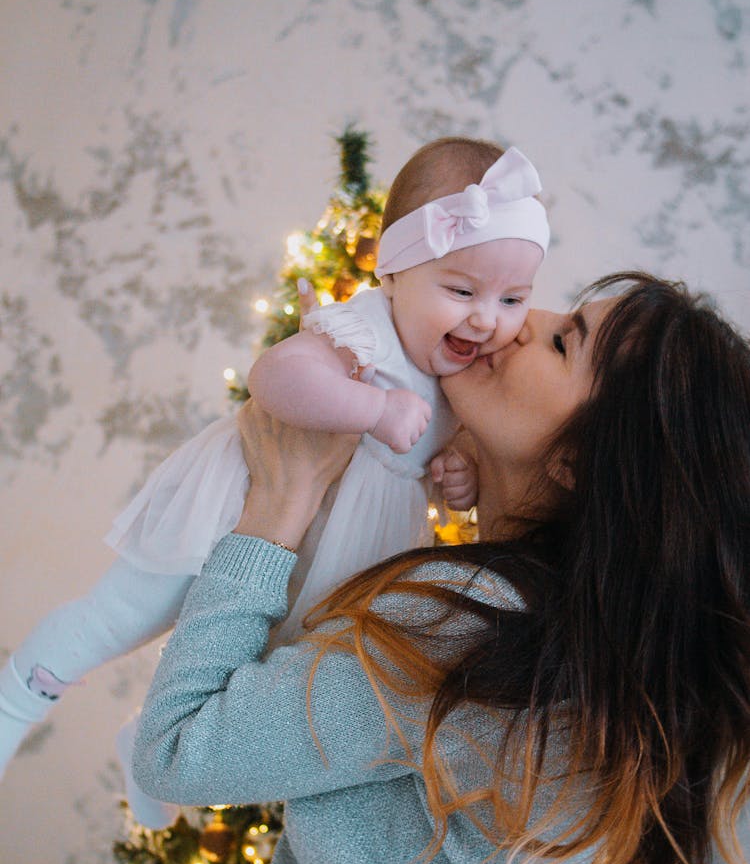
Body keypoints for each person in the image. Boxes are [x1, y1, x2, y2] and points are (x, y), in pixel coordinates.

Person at [132, 272, 750, 864]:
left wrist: (277, 505)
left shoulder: (466, 625)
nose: (525, 320)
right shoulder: (589, 651)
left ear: (579, 464)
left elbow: (177, 747)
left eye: (566, 339)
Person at [0, 138, 549, 826]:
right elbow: (278, 377)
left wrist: (455, 474)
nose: (486, 317)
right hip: (232, 509)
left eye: (513, 297)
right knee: (128, 610)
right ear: (396, 275)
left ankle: (148, 741)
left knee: (260, 678)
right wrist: (375, 407)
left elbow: (438, 475)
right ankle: (19, 694)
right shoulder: (368, 331)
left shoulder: (462, 382)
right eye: (462, 290)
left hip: (336, 554)